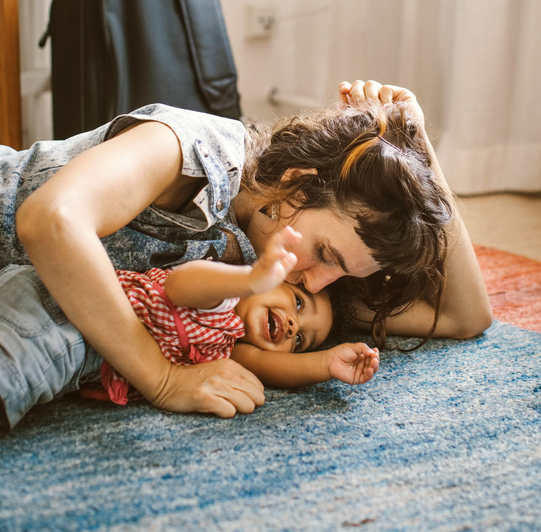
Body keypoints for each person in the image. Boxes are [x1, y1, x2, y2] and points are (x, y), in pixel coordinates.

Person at [0, 80, 492, 422]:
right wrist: (162, 379)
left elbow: (465, 317)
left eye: (340, 275)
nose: (319, 282)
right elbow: (50, 221)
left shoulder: (288, 291)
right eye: (325, 254)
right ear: (296, 187)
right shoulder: (199, 149)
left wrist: (418, 149)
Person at [97, 226, 379, 406]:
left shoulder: (227, 352)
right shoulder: (225, 295)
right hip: (82, 317)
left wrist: (328, 363)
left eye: (301, 341)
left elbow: (273, 367)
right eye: (298, 303)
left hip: (85, 366)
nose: (294, 326)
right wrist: (251, 279)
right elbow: (179, 286)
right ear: (277, 278)